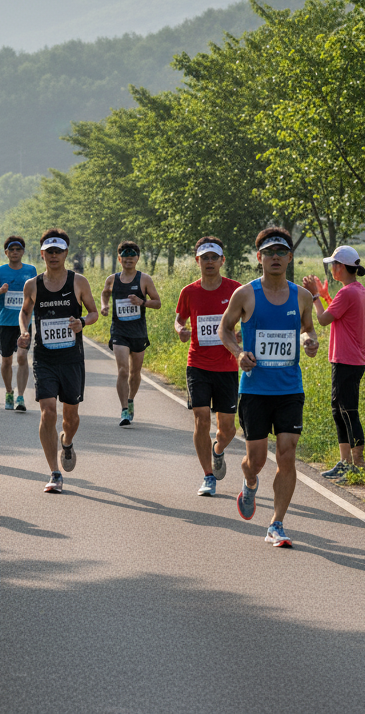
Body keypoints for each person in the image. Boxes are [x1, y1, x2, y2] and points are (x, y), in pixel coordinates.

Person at [220, 227, 319, 547]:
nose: (275, 257)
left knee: (287, 454)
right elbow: (225, 329)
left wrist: (310, 341)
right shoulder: (246, 294)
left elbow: (307, 329)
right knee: (257, 461)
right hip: (254, 390)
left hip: (289, 388)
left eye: (281, 252)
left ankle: (276, 524)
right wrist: (238, 354)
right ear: (259, 257)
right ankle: (249, 483)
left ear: (290, 257)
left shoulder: (302, 296)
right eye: (269, 252)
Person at [18, 228, 99, 493]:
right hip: (44, 358)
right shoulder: (33, 285)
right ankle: (54, 472)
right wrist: (25, 331)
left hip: (71, 358)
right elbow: (24, 312)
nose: (53, 256)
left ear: (66, 253)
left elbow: (94, 312)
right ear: (42, 254)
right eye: (49, 251)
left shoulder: (79, 282)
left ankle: (67, 442)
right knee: (48, 411)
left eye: (58, 251)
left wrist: (82, 322)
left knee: (71, 418)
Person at [174, 237, 242, 497]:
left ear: (222, 260)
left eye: (214, 257)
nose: (210, 262)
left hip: (227, 366)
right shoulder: (189, 292)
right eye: (205, 258)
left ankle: (218, 450)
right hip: (198, 365)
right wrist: (180, 330)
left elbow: (249, 320)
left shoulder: (236, 290)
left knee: (227, 429)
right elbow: (179, 319)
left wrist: (240, 338)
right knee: (201, 418)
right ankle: (208, 476)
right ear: (197, 261)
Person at [304, 245, 365, 482]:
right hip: (345, 359)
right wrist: (324, 296)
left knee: (349, 411)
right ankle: (344, 462)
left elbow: (323, 319)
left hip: (347, 360)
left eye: (333, 264)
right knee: (338, 410)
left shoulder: (348, 293)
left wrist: (313, 296)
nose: (331, 268)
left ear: (340, 268)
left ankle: (358, 464)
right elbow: (338, 312)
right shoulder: (356, 290)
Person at [100, 240, 161, 426]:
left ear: (137, 258)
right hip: (119, 331)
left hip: (138, 331)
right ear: (119, 258)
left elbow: (157, 303)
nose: (128, 259)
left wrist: (142, 302)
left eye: (132, 256)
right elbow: (105, 293)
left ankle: (131, 399)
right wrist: (105, 305)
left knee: (135, 372)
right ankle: (124, 409)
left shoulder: (144, 279)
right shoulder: (112, 279)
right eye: (125, 256)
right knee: (122, 370)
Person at [0, 234, 37, 411]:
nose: (15, 252)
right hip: (5, 323)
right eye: (12, 250)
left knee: (22, 357)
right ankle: (9, 391)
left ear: (23, 252)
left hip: (24, 322)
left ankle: (21, 397)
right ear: (6, 253)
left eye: (18, 249)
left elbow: (36, 294)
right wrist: (0, 290)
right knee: (7, 361)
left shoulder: (31, 271)